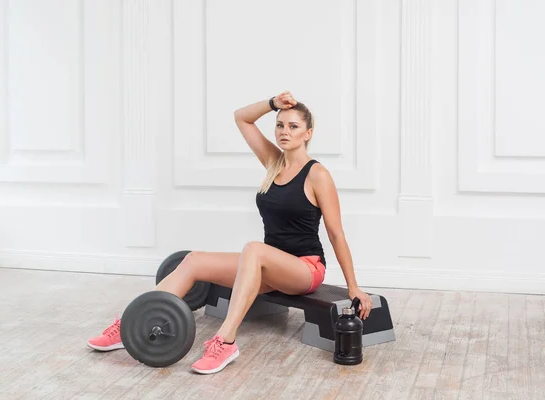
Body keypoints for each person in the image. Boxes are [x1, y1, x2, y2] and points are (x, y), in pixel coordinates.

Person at [87, 91, 373, 374]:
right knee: (194, 260)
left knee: (253, 249)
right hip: (267, 266)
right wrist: (272, 103)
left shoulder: (317, 174)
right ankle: (129, 325)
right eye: (280, 125)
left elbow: (336, 234)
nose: (284, 131)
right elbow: (242, 118)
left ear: (308, 133)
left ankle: (225, 341)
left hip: (304, 268)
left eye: (293, 126)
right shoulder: (274, 163)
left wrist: (353, 286)